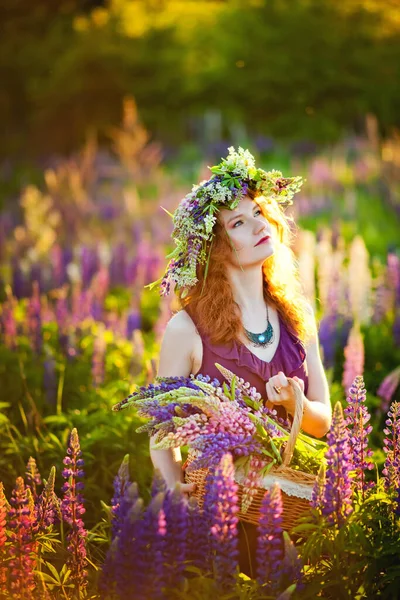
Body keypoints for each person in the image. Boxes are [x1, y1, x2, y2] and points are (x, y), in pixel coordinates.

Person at [149, 147, 332, 578]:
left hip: (295, 508)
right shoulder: (186, 329)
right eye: (238, 222)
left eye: (258, 212)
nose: (258, 224)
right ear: (216, 249)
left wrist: (295, 402)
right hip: (223, 519)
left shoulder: (296, 316)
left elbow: (324, 423)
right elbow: (161, 433)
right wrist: (179, 490)